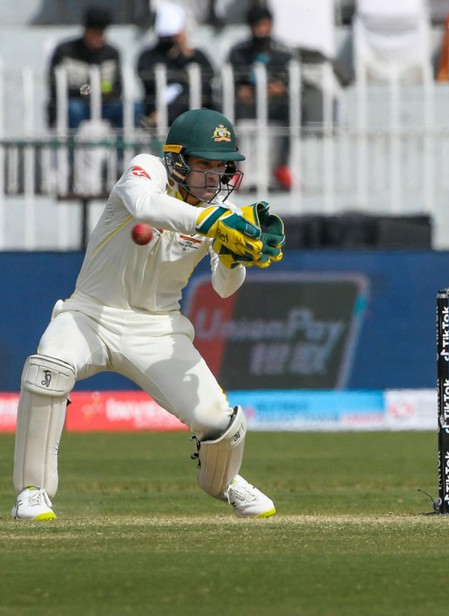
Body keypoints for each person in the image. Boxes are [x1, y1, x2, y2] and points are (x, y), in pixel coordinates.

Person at [10, 108, 286, 521]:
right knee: (48, 368)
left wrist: (231, 257)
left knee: (218, 420)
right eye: (204, 165)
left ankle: (225, 481)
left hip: (158, 329)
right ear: (177, 160)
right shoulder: (147, 170)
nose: (214, 177)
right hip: (90, 314)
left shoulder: (221, 215)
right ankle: (32, 492)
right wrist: (216, 223)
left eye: (221, 167)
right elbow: (144, 207)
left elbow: (224, 287)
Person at [227, 4, 297, 190]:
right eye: (258, 25)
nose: (262, 29)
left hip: (274, 104)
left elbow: (291, 80)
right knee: (227, 112)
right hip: (246, 105)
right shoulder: (239, 52)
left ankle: (282, 166)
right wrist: (241, 89)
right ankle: (234, 166)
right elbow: (231, 79)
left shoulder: (283, 52)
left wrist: (280, 88)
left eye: (265, 24)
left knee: (292, 110)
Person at [137, 1, 216, 129]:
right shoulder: (148, 56)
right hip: (157, 106)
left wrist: (184, 54)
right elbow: (150, 81)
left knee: (193, 90)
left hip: (192, 114)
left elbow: (207, 78)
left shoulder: (195, 56)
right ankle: (159, 118)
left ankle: (161, 117)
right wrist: (183, 79)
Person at [47, 6, 125, 129]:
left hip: (105, 104)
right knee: (73, 108)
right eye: (94, 34)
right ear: (85, 31)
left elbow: (117, 88)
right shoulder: (66, 52)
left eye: (101, 34)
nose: (97, 39)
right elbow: (56, 87)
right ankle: (70, 147)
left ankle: (122, 147)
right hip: (75, 105)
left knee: (129, 109)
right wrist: (88, 90)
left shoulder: (111, 54)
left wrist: (101, 93)